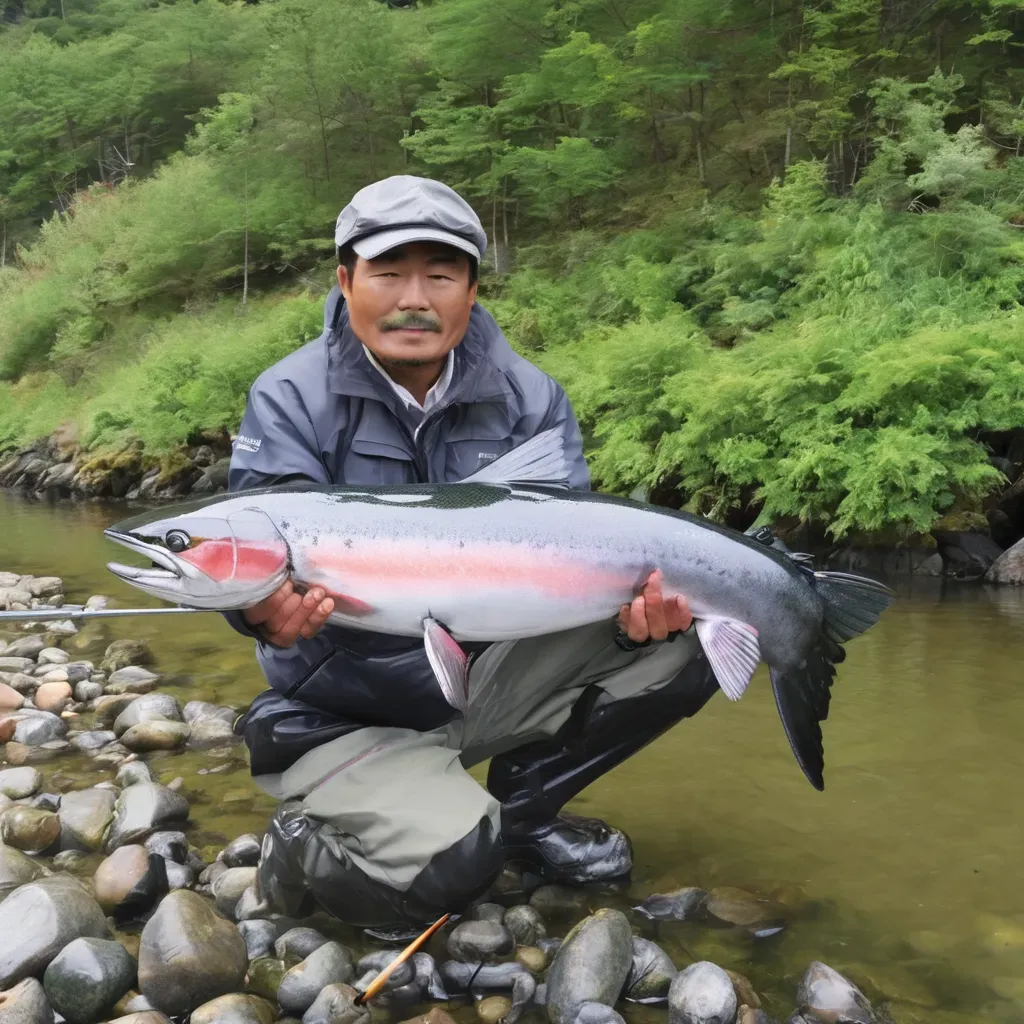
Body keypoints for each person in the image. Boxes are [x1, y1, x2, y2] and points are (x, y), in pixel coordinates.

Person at [226, 175, 719, 934]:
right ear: (345, 281)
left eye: (441, 274)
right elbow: (250, 555)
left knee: (703, 636)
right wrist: (260, 616)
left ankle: (522, 815)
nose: (414, 298)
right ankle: (303, 847)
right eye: (389, 273)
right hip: (342, 708)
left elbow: (575, 564)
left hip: (484, 679)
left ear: (473, 289)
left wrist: (632, 623)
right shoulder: (288, 398)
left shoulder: (531, 400)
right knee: (452, 874)